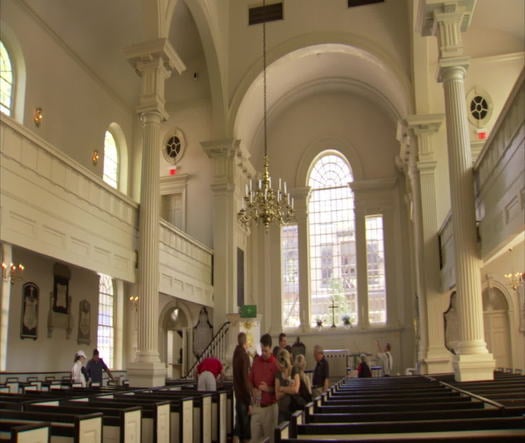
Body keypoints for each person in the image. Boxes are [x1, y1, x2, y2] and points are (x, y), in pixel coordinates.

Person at [249, 333, 279, 443]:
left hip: (270, 407)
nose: (264, 353)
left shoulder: (275, 364)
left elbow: (279, 389)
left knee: (270, 438)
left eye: (266, 350)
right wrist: (253, 390)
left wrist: (268, 389)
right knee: (254, 438)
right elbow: (250, 380)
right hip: (257, 406)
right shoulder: (257, 362)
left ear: (270, 348)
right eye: (262, 350)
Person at [232, 332, 251, 443]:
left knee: (238, 425)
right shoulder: (244, 356)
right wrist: (249, 400)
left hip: (238, 393)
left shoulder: (236, 354)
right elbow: (245, 378)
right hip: (243, 395)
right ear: (245, 342)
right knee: (245, 428)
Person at [275, 349, 299, 423]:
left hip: (293, 408)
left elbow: (295, 390)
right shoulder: (278, 374)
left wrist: (282, 388)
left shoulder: (294, 370)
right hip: (282, 410)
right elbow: (277, 395)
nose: (281, 369)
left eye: (283, 367)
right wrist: (289, 389)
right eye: (280, 367)